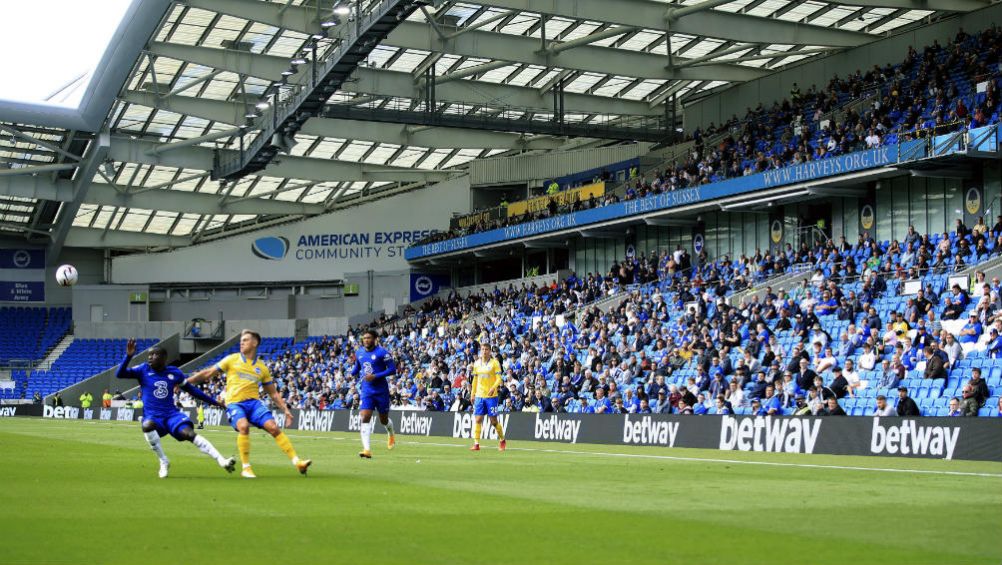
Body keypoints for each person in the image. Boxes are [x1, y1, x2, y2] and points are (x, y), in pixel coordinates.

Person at [188, 329, 311, 478]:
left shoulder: (262, 368)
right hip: (235, 404)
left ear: (255, 343)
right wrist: (185, 382)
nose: (242, 342)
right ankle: (246, 468)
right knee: (243, 426)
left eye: (245, 340)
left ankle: (297, 462)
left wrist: (285, 410)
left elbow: (272, 392)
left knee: (273, 427)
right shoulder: (231, 359)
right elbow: (208, 373)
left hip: (254, 404)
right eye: (241, 340)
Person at [117, 339, 234, 478]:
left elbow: (192, 391)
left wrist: (214, 402)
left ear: (163, 358)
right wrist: (128, 356)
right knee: (147, 426)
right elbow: (120, 374)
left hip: (171, 415)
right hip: (153, 416)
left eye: (154, 355)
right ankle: (163, 460)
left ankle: (222, 460)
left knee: (189, 434)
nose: (150, 358)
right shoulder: (143, 369)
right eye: (149, 355)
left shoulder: (174, 373)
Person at [350, 329, 398, 458]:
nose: (366, 340)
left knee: (383, 420)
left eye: (369, 337)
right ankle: (367, 450)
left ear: (375, 339)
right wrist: (352, 373)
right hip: (367, 390)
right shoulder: (359, 352)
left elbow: (393, 370)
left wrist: (375, 376)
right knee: (365, 416)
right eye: (364, 338)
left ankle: (391, 434)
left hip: (381, 390)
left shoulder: (382, 352)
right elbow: (357, 367)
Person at [467, 342, 507, 452]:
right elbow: (475, 379)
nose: (484, 351)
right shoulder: (476, 363)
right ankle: (476, 444)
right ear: (480, 350)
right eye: (483, 349)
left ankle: (502, 440)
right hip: (480, 395)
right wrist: (472, 393)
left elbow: (499, 379)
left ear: (490, 351)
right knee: (478, 419)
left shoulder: (495, 363)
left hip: (491, 396)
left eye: (486, 349)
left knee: (493, 421)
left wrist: (493, 387)